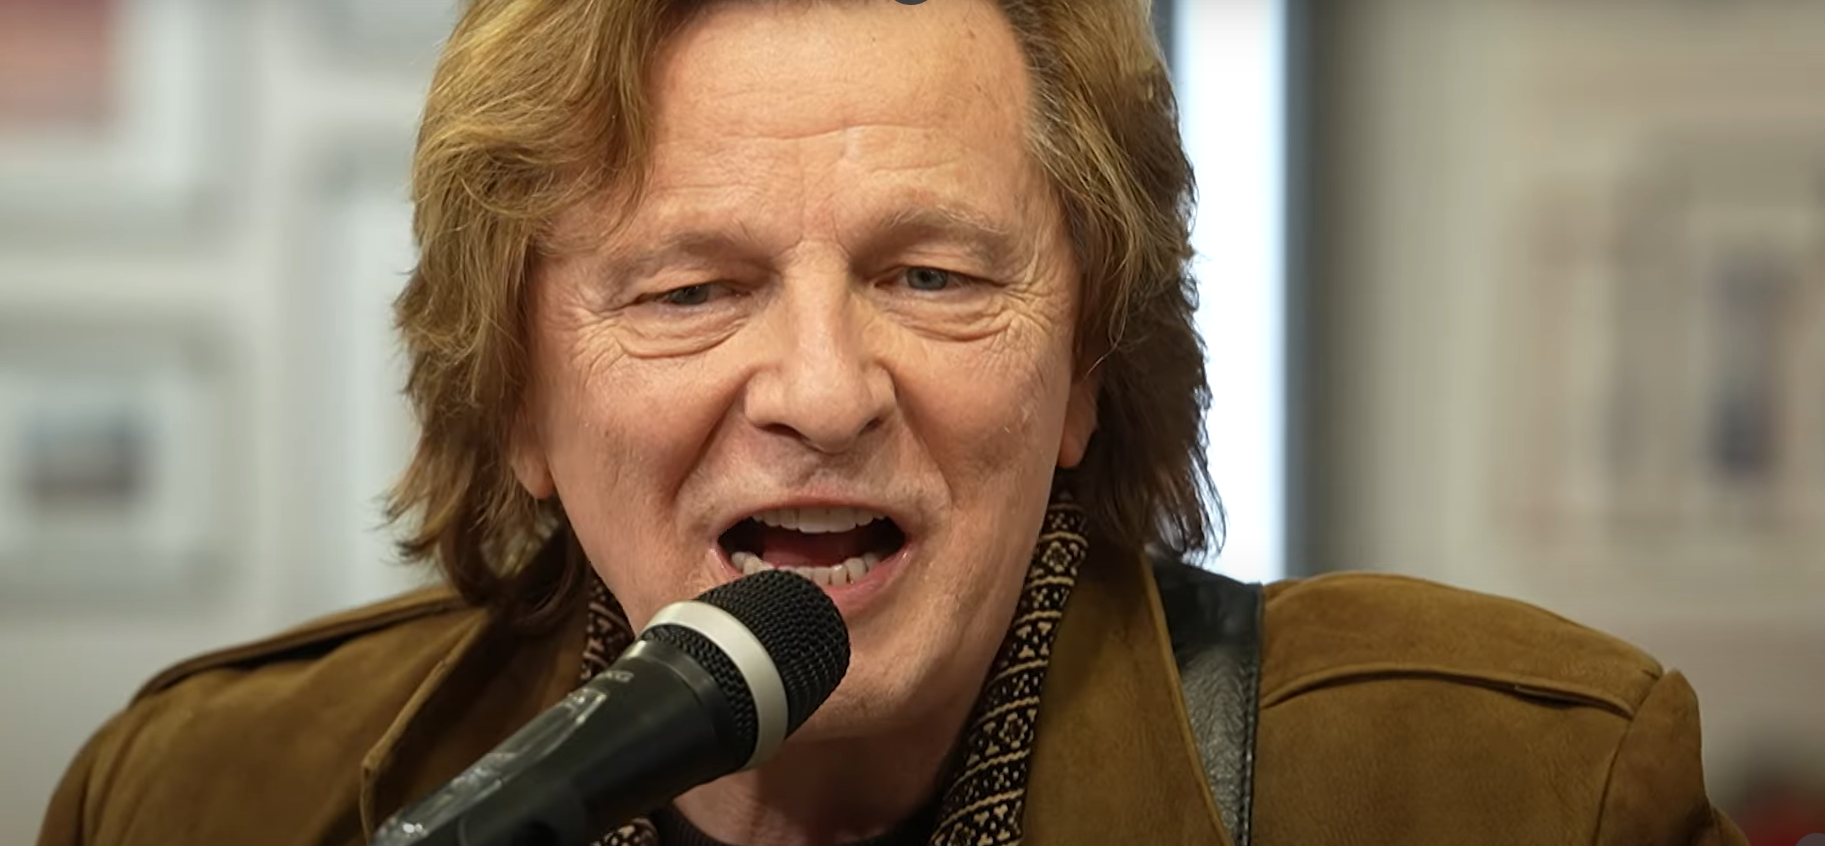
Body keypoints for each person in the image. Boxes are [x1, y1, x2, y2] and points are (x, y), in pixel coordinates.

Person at [38, 0, 1747, 844]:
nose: (822, 390)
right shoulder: (191, 798)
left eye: (932, 276)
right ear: (518, 398)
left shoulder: (1523, 792)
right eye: (688, 290)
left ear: (1084, 368)